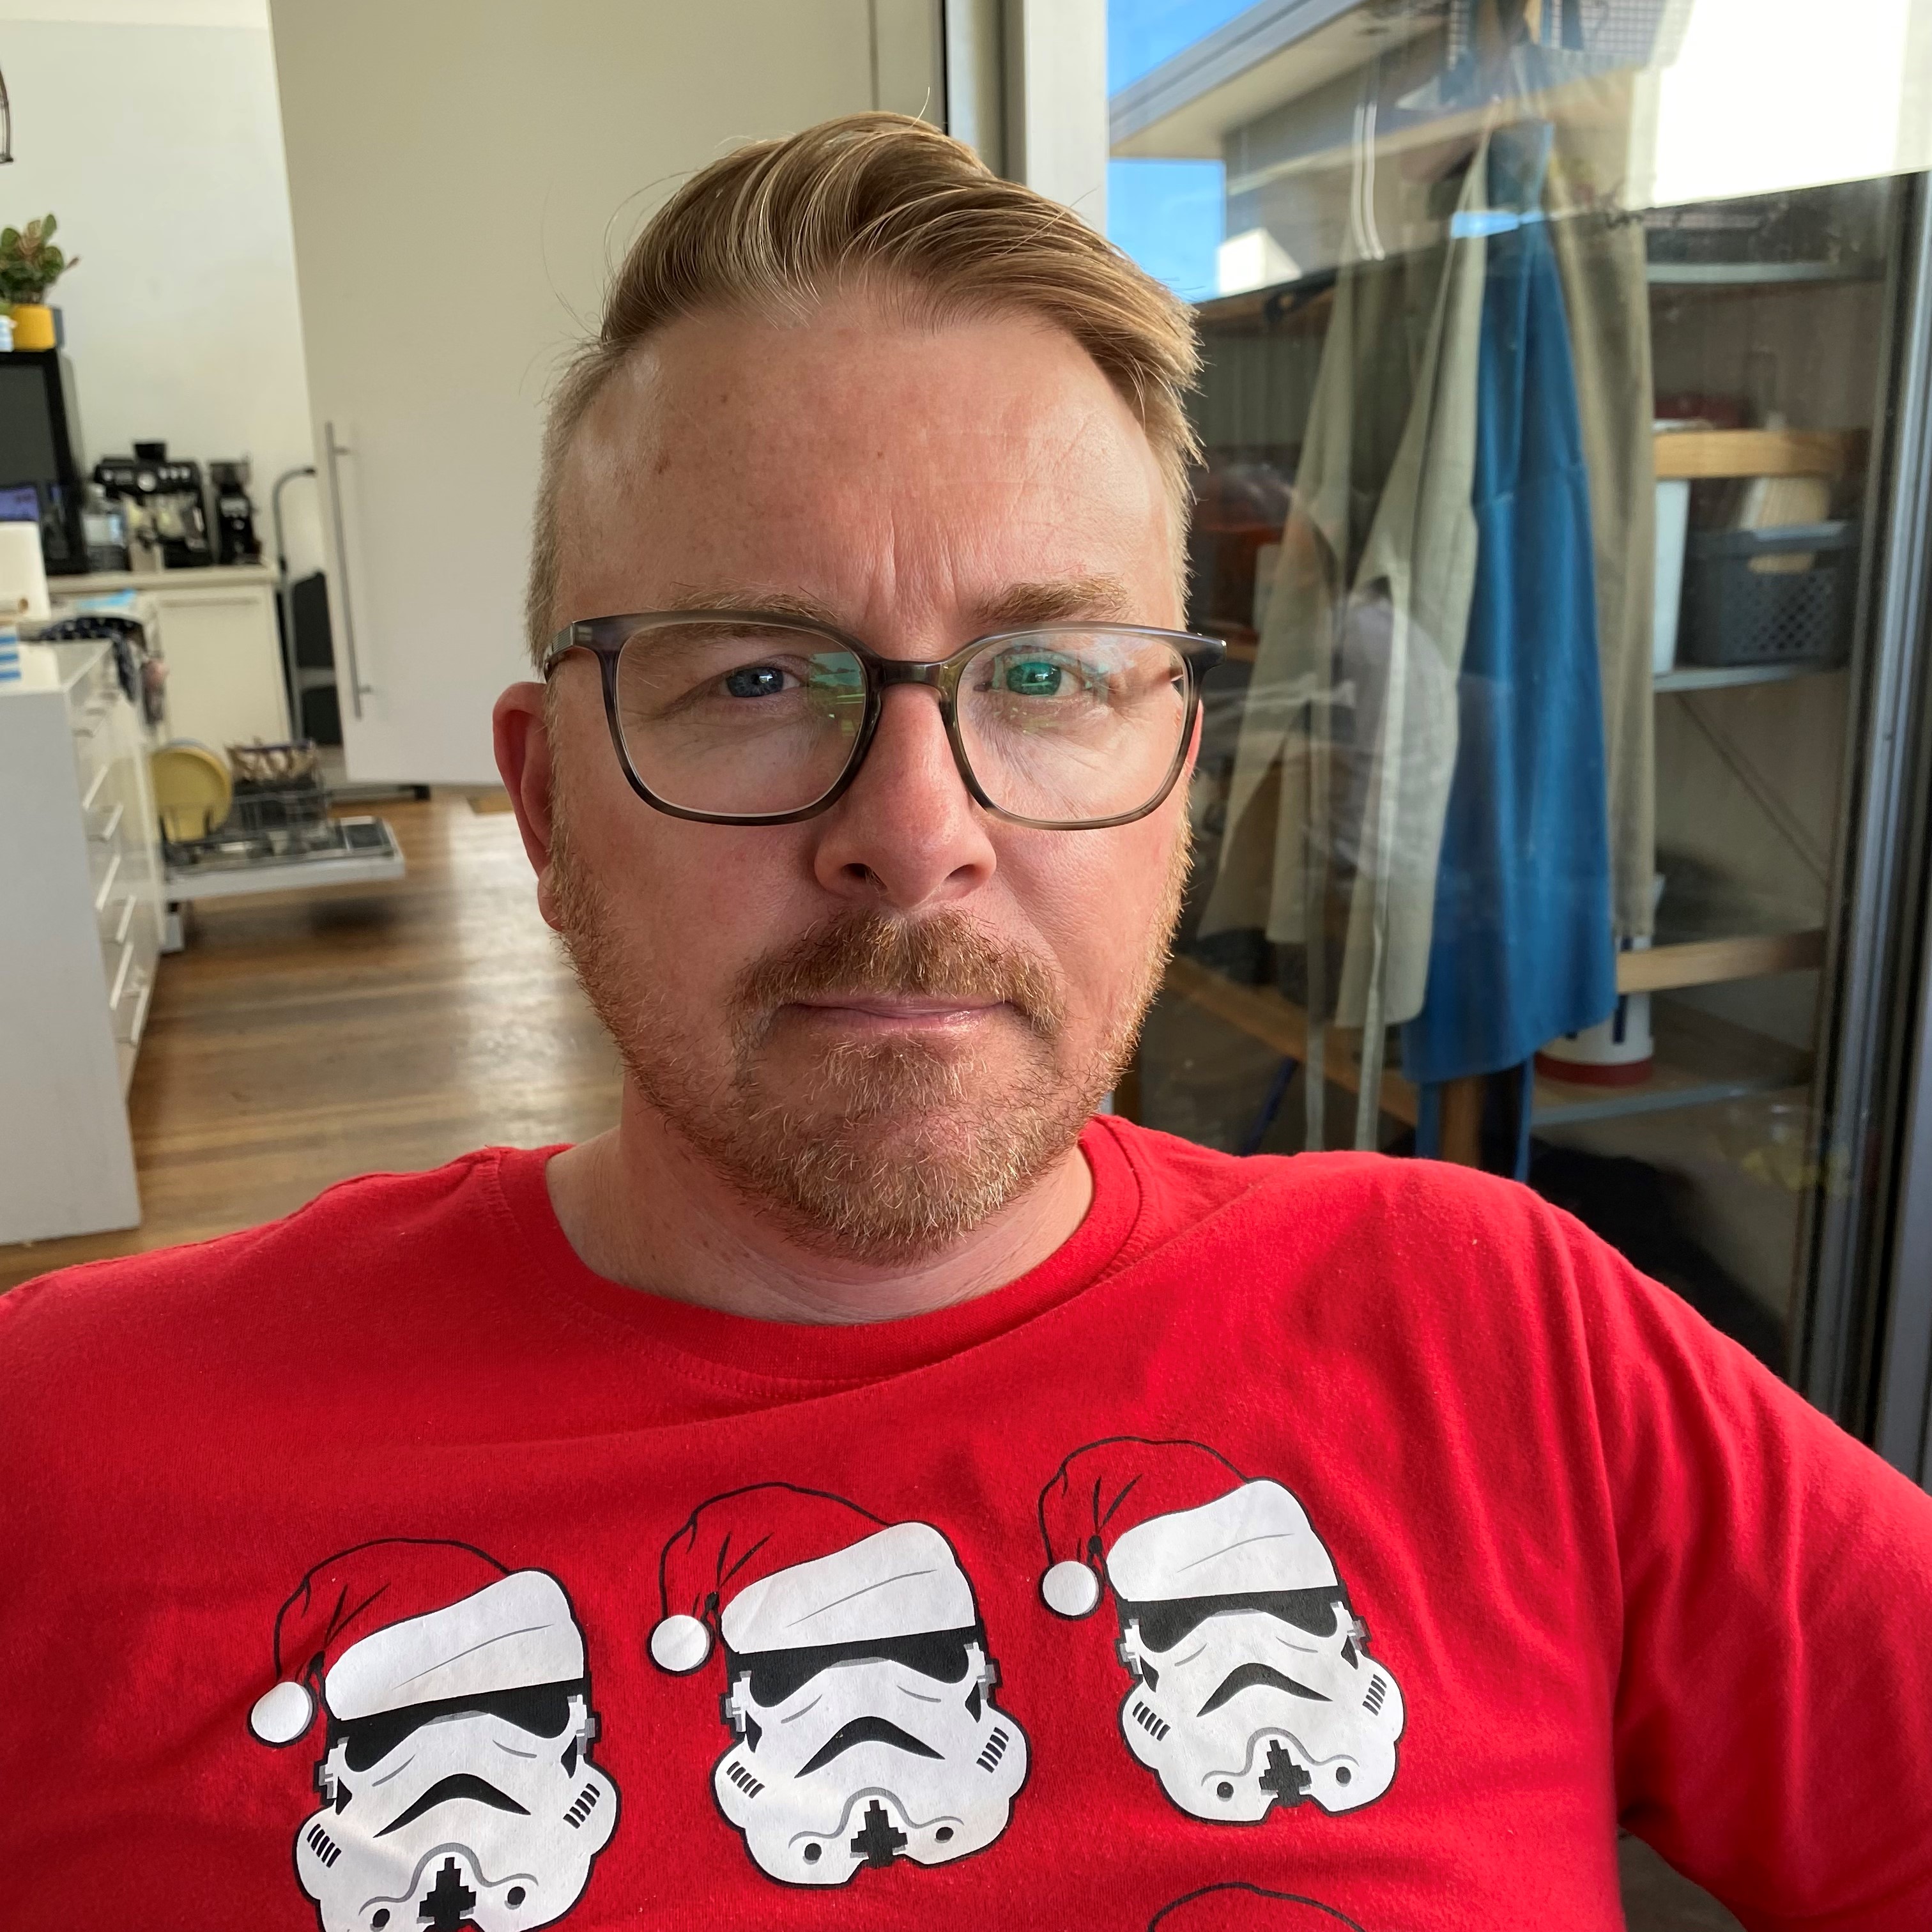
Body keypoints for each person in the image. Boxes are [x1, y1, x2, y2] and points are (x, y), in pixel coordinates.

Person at [1, 113, 1927, 1932]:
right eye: (758, 674)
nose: (914, 835)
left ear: (1179, 767)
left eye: (1045, 674)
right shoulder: (69, 1451)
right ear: (548, 798)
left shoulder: (1499, 1332)